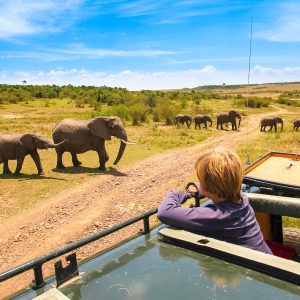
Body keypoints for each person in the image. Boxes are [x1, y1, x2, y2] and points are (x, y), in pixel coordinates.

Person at [157, 147, 272, 254]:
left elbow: (165, 212)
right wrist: (198, 188)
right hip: (269, 261)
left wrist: (180, 193)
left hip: (256, 270)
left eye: (201, 181)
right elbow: (223, 187)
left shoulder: (216, 216)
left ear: (208, 188)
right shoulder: (242, 198)